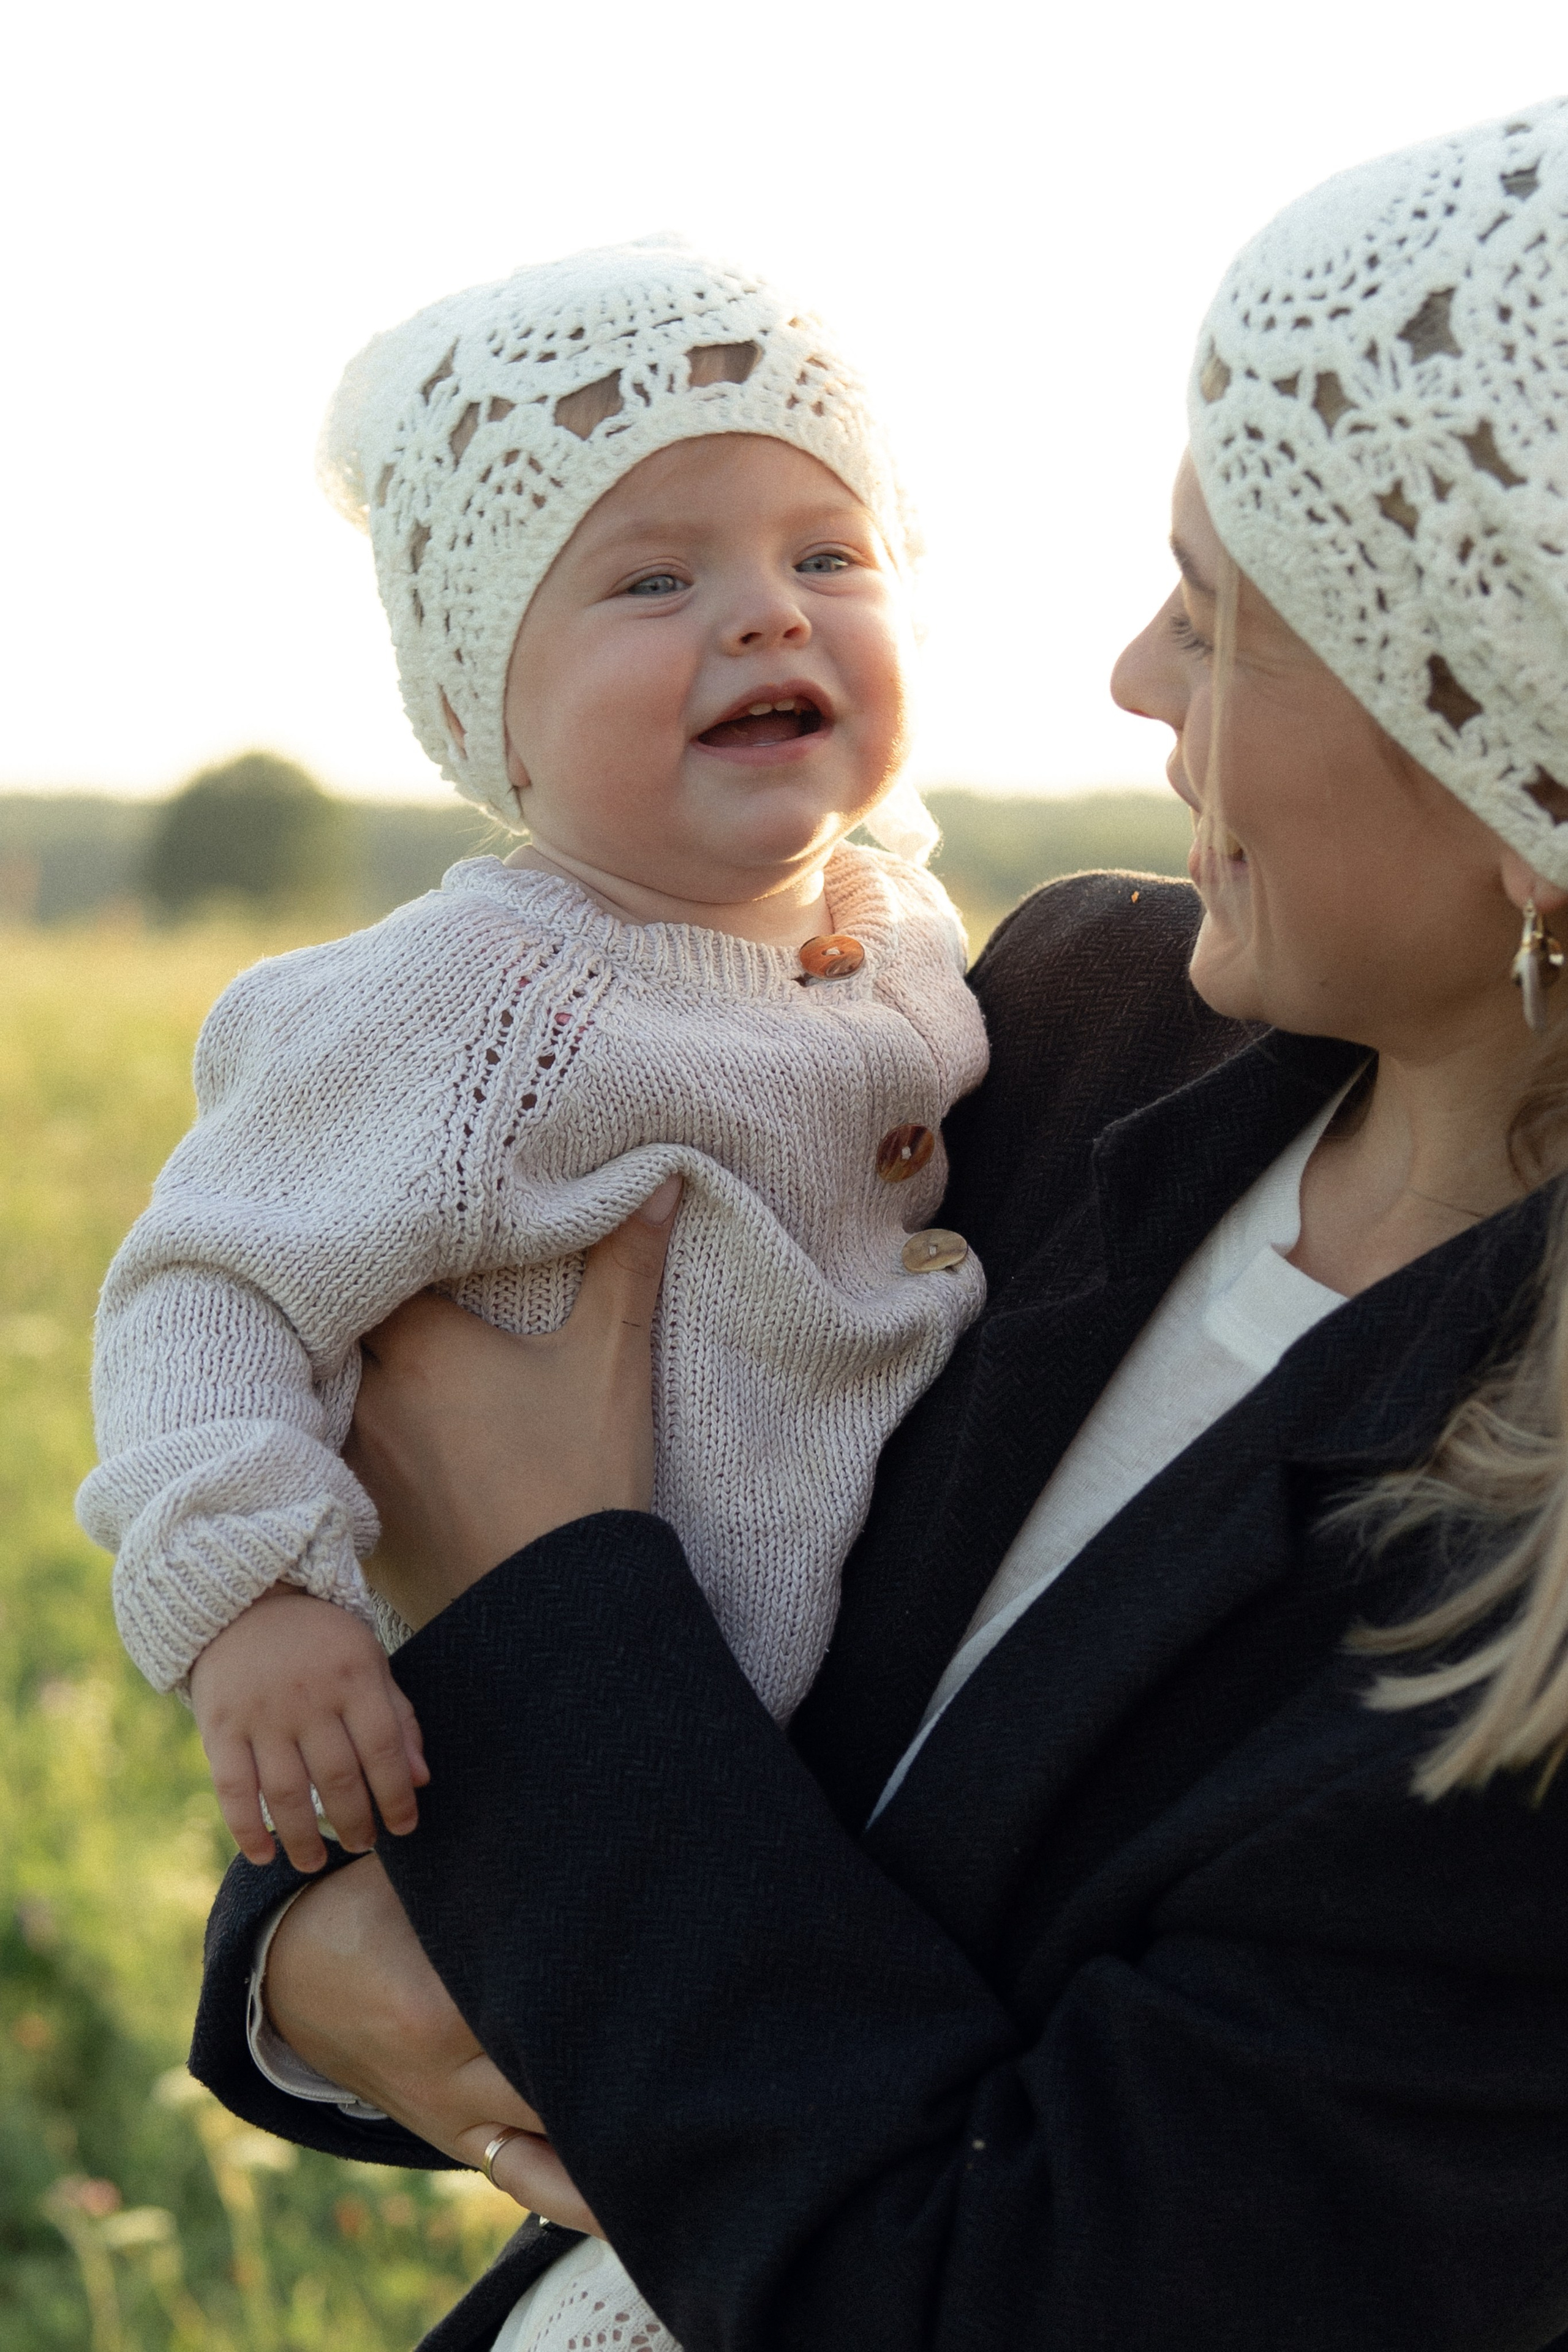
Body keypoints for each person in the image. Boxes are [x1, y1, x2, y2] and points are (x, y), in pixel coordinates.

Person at [194, 99, 1568, 2352]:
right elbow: (696, 1697)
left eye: (1225, 620)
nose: (1134, 678)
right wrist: (315, 1960)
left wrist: (547, 1583)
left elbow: (1010, 2294)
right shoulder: (1050, 1029)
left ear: (1521, 770)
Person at [76, 239, 988, 1877]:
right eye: (654, 579)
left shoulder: (906, 930)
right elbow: (206, 1292)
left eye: (833, 554)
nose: (768, 612)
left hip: (855, 1816)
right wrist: (255, 1598)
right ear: (488, 712)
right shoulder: (466, 1002)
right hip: (557, 1793)